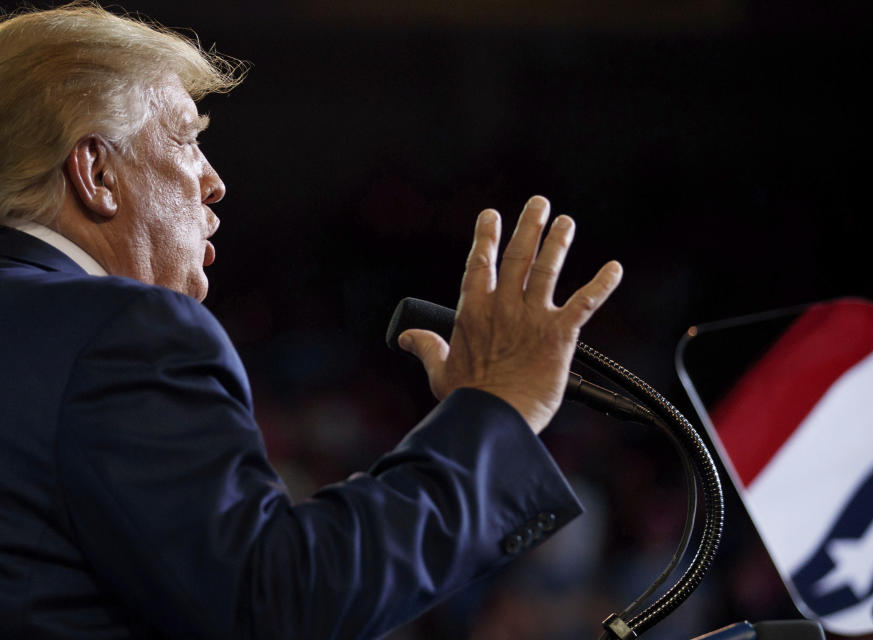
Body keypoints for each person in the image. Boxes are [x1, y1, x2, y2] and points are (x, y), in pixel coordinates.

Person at [0, 3, 622, 638]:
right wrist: (496, 412)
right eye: (186, 138)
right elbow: (276, 604)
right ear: (96, 172)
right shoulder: (123, 333)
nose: (214, 182)